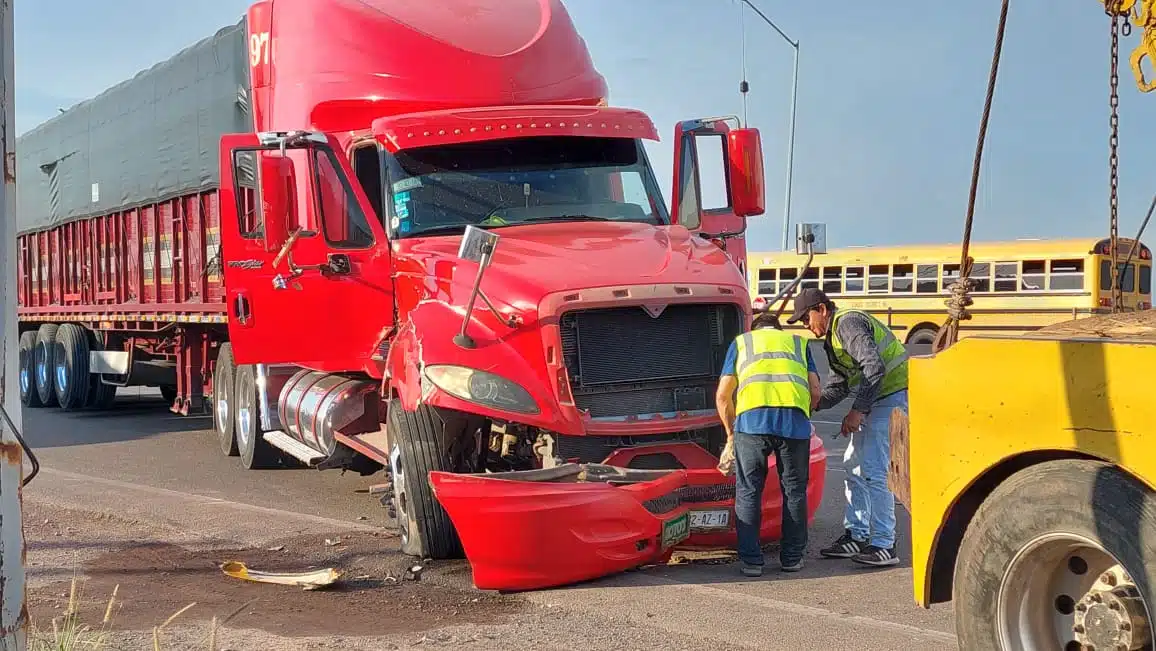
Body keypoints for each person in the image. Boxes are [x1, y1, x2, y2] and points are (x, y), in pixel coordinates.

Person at [785, 288, 908, 568]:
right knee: (853, 465)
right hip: (877, 398)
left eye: (807, 318)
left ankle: (884, 544)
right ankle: (858, 534)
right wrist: (811, 403)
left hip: (891, 395)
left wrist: (857, 411)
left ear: (823, 309)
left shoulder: (847, 323)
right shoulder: (832, 339)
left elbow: (873, 367)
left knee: (875, 470)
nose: (806, 326)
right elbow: (841, 384)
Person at [716, 311, 821, 577]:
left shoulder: (742, 343)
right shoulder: (799, 344)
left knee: (749, 490)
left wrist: (730, 433)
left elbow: (722, 395)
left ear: (754, 328)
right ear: (778, 329)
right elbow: (816, 390)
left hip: (751, 423)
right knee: (795, 492)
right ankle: (792, 558)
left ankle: (752, 561)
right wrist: (803, 413)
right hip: (793, 424)